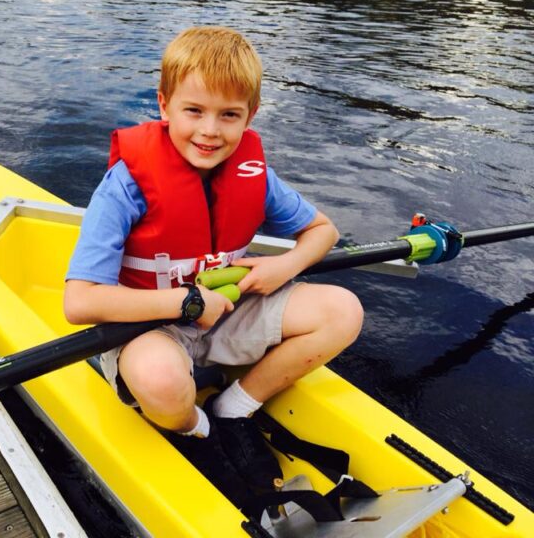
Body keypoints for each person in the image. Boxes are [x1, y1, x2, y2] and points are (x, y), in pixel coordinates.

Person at [64, 26, 363, 508]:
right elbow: (79, 302)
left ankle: (233, 409)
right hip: (150, 328)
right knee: (160, 378)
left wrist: (284, 267)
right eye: (194, 111)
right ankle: (196, 429)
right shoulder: (125, 185)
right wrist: (185, 301)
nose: (210, 131)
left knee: (343, 310)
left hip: (227, 313)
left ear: (250, 116)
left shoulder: (253, 175)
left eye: (229, 115)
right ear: (164, 106)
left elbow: (323, 232)